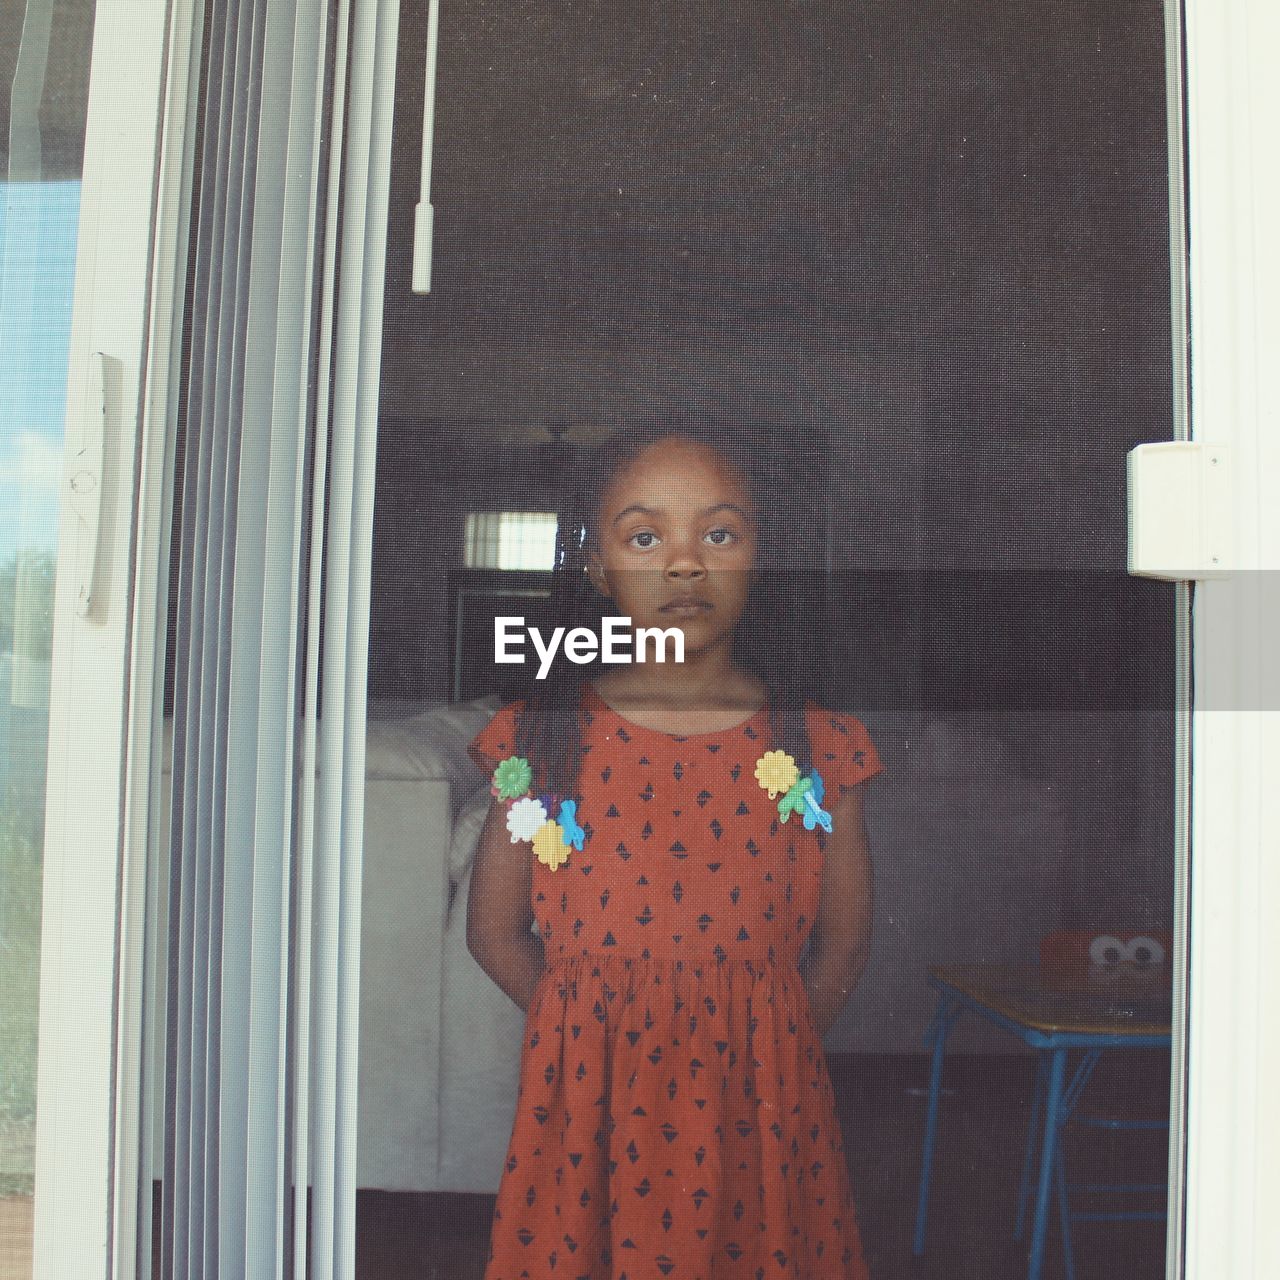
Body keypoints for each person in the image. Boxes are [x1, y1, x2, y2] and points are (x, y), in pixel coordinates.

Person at [465, 418, 883, 1278]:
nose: (684, 563)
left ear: (760, 557)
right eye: (646, 537)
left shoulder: (817, 743)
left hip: (760, 1107)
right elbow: (494, 931)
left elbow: (844, 942)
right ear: (596, 568)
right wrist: (584, 1031)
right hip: (590, 1108)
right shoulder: (542, 741)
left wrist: (770, 1041)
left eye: (719, 534)